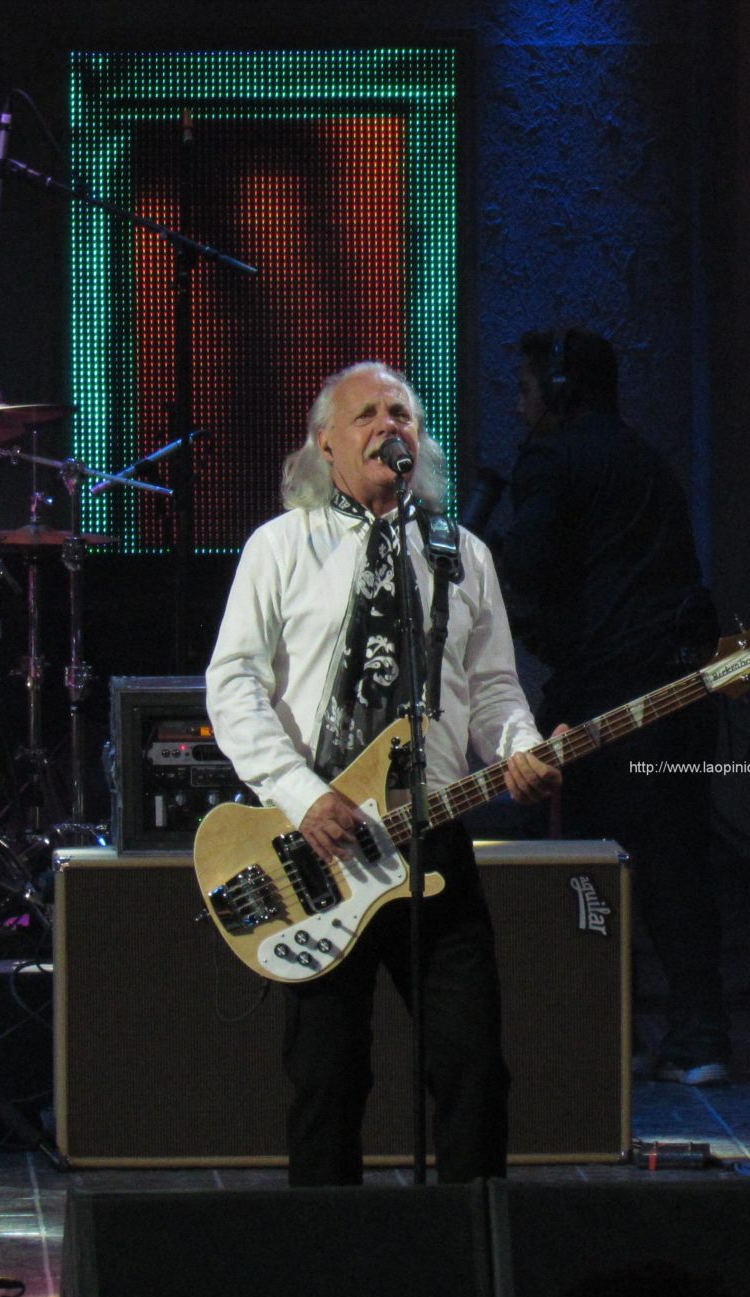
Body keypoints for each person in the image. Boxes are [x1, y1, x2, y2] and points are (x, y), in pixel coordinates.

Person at [206, 360, 559, 1185]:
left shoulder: (460, 552)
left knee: (473, 1071)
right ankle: (333, 1274)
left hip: (433, 841)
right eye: (365, 413)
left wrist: (519, 748)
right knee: (329, 1079)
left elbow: (495, 687)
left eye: (401, 412)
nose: (388, 425)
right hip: (322, 851)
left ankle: (476, 1262)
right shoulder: (279, 547)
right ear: (325, 443)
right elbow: (233, 686)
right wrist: (300, 795)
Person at [498, 327, 730, 1085]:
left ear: (557, 390)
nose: (519, 405)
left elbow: (525, 568)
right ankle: (699, 1039)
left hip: (608, 700)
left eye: (527, 389)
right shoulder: (642, 457)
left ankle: (601, 1033)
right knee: (675, 867)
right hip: (680, 690)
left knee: (575, 862)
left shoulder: (552, 460)